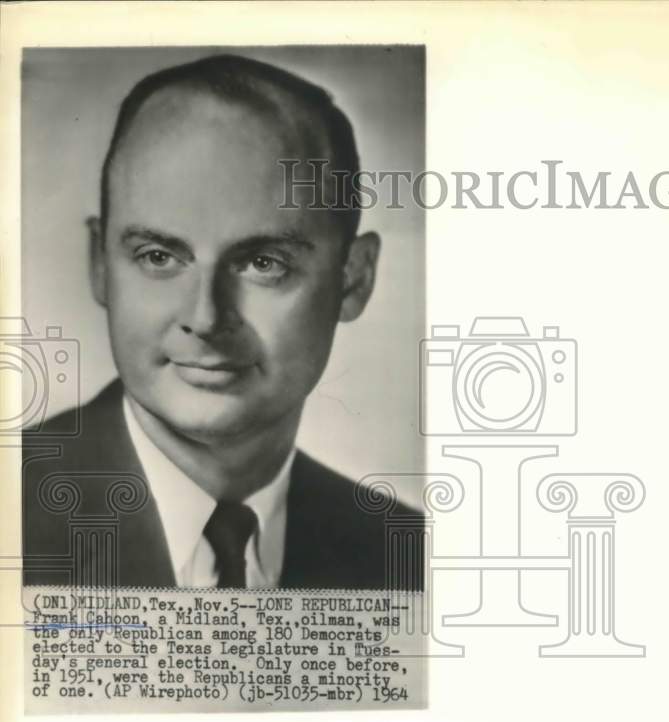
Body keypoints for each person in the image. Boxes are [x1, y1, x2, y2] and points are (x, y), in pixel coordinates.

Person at [22, 54, 424, 591]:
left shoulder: (411, 559)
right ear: (100, 265)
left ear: (353, 279)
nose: (206, 318)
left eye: (263, 263)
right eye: (159, 256)